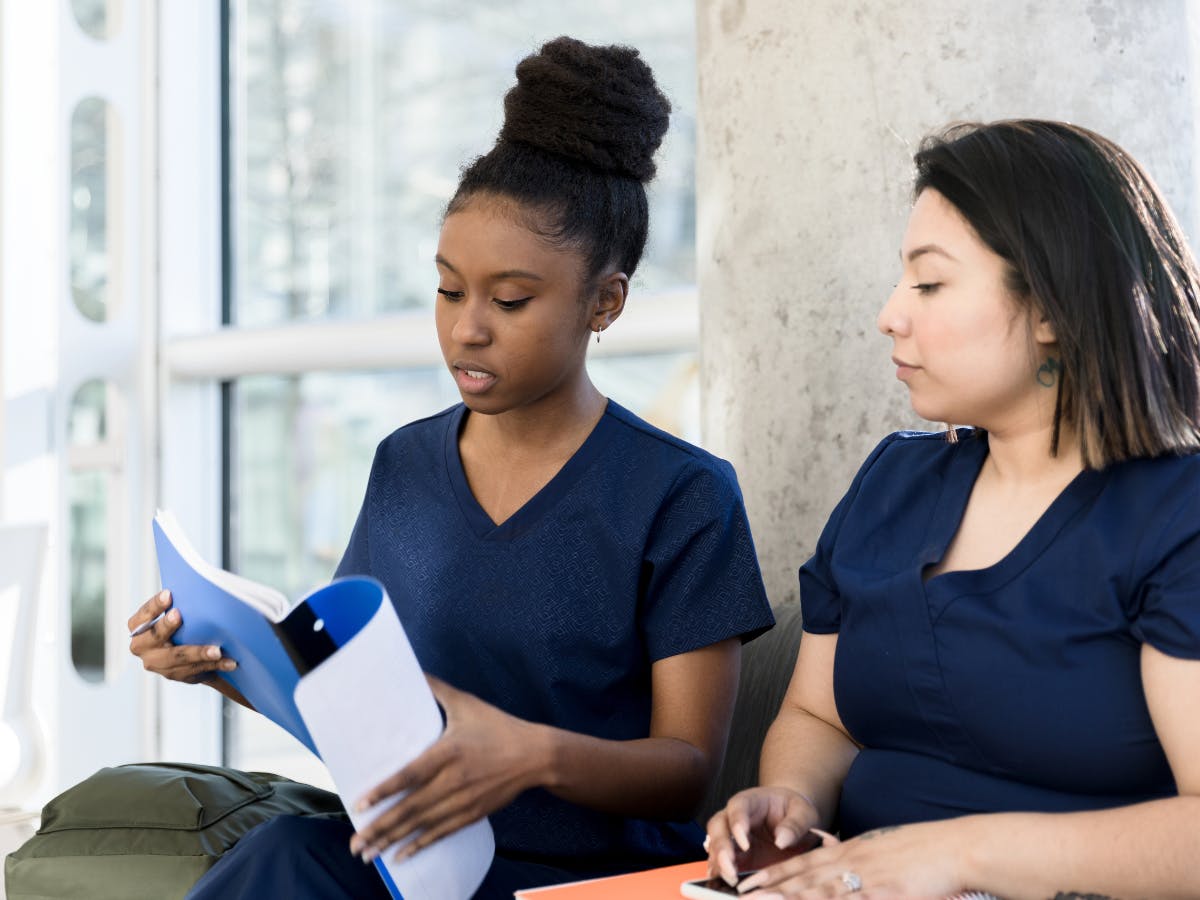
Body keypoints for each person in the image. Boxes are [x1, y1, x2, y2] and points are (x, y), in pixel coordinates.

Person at [129, 35, 774, 900]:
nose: (467, 328)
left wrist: (528, 756)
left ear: (605, 302)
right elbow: (351, 701)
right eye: (447, 289)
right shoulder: (404, 465)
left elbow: (689, 771)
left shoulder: (683, 495)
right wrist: (218, 661)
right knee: (287, 852)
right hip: (417, 858)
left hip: (588, 880)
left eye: (510, 300)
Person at [704, 119, 1200, 899]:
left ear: (1052, 307)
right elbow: (818, 717)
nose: (889, 315)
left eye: (929, 284)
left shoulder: (1177, 516)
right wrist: (791, 801)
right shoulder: (894, 482)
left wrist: (956, 855)